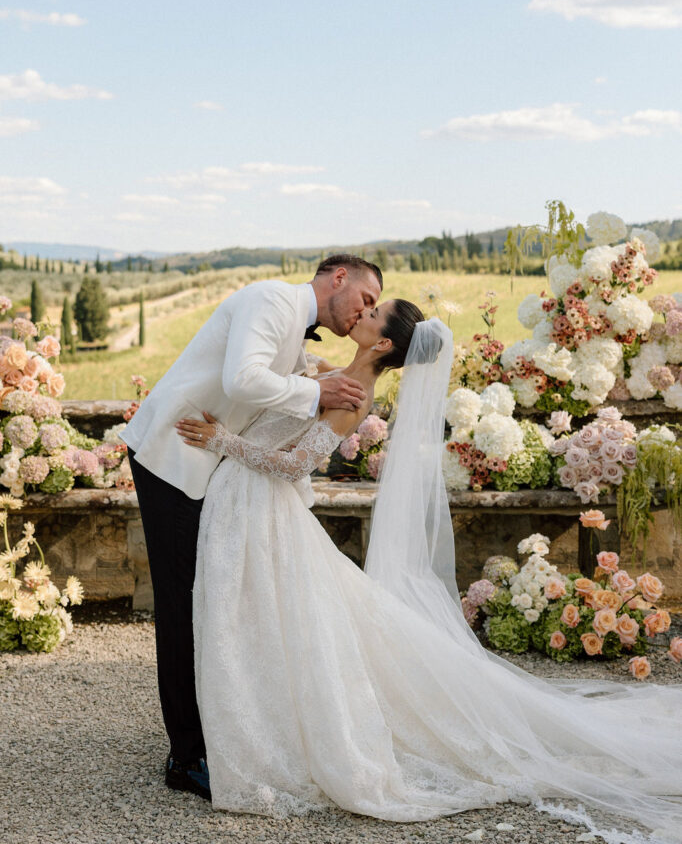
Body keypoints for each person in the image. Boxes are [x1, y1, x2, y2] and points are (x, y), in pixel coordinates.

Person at [178, 310, 682, 844]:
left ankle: (272, 739)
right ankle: (253, 727)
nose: (361, 314)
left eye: (372, 313)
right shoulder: (335, 372)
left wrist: (220, 439)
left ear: (384, 344)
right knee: (260, 622)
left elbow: (293, 465)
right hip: (243, 504)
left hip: (262, 508)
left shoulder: (354, 399)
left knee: (270, 621)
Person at [120, 255, 382, 800]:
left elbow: (267, 374)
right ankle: (186, 756)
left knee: (209, 603)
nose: (365, 311)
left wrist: (315, 375)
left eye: (375, 310)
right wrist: (318, 392)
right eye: (366, 298)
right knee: (182, 605)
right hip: (173, 455)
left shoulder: (291, 316)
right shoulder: (271, 300)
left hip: (207, 466)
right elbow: (242, 379)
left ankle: (211, 732)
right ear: (339, 279)